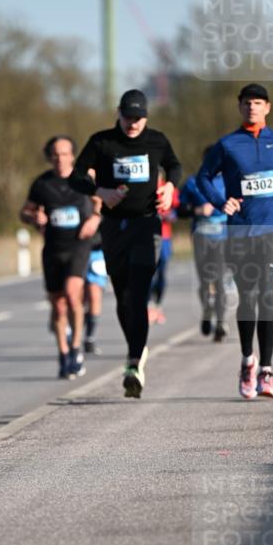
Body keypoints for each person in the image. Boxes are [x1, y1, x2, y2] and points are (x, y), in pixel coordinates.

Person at [75, 89, 181, 397]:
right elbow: (76, 176)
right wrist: (99, 192)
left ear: (146, 117)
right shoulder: (102, 142)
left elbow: (174, 166)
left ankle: (135, 362)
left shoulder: (157, 140)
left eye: (138, 118)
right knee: (123, 297)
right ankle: (135, 350)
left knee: (138, 293)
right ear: (118, 114)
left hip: (147, 224)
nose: (133, 123)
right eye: (128, 117)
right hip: (113, 226)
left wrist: (170, 187)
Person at [196, 84, 273, 400]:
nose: (252, 107)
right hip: (240, 230)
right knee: (247, 297)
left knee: (266, 294)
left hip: (271, 226)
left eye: (257, 102)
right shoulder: (227, 144)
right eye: (246, 103)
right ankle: (247, 361)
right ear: (239, 107)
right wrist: (220, 202)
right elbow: (202, 177)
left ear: (267, 107)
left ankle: (266, 370)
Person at [20, 135, 100, 378]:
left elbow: (101, 202)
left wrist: (95, 219)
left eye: (65, 153)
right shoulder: (42, 183)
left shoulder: (84, 179)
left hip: (79, 246)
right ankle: (63, 353)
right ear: (49, 157)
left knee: (72, 294)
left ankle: (76, 348)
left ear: (72, 155)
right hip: (53, 248)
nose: (60, 158)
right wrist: (34, 217)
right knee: (58, 304)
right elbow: (25, 212)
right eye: (55, 154)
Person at [179, 153, 229, 341]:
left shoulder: (229, 181)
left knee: (219, 280)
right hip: (200, 238)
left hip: (223, 238)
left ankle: (221, 323)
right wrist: (197, 210)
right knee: (205, 282)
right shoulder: (193, 182)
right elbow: (180, 210)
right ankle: (207, 311)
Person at [148, 182, 180, 325]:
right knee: (148, 272)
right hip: (147, 237)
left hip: (165, 237)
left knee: (161, 274)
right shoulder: (144, 185)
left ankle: (158, 304)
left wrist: (168, 215)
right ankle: (149, 306)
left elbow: (176, 212)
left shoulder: (168, 188)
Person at [84, 232, 106, 355]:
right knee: (75, 299)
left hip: (96, 252)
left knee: (94, 295)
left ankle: (89, 337)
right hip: (74, 248)